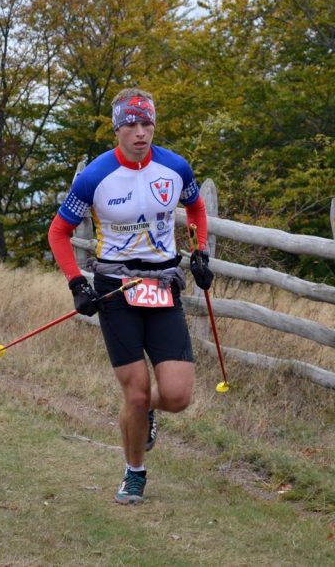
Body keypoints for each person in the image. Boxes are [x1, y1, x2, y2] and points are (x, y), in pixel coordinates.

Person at [47, 87, 214, 505]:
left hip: (162, 286)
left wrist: (200, 251)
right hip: (114, 289)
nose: (141, 133)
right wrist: (76, 284)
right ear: (117, 128)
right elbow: (58, 232)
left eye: (147, 124)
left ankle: (145, 413)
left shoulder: (175, 167)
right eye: (131, 125)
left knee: (177, 395)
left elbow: (196, 210)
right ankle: (134, 472)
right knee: (135, 391)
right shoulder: (94, 177)